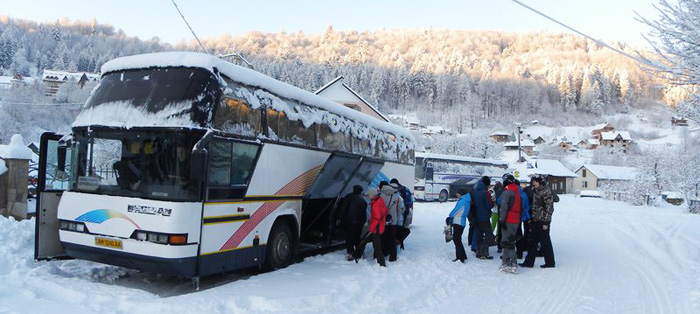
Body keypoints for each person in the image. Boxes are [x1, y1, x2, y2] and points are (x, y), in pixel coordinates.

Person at [520, 176, 556, 268]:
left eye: (536, 182)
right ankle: (529, 262)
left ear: (540, 182)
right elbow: (535, 207)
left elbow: (549, 208)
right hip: (535, 220)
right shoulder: (536, 191)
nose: (534, 184)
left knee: (545, 243)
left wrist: (546, 223)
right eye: (533, 182)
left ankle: (550, 262)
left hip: (543, 221)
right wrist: (532, 218)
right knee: (532, 242)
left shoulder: (546, 192)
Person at [353, 188, 387, 267]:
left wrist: (371, 228)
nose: (368, 197)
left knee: (377, 247)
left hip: (376, 228)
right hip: (379, 227)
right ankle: (357, 255)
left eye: (369, 195)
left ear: (372, 195)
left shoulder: (376, 204)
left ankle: (382, 264)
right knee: (364, 241)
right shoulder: (380, 201)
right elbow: (384, 212)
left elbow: (377, 218)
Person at [337, 185, 368, 261]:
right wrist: (364, 221)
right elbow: (364, 213)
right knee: (357, 237)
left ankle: (350, 252)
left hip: (350, 221)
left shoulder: (349, 197)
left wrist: (339, 217)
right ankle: (359, 252)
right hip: (360, 222)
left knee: (349, 237)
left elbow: (343, 208)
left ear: (354, 189)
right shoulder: (363, 200)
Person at [499, 174, 522, 274]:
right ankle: (506, 261)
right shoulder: (517, 192)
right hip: (516, 219)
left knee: (508, 242)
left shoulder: (507, 192)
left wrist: (502, 220)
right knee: (509, 240)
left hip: (508, 219)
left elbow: (504, 207)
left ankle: (512, 263)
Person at [472, 176, 496, 260]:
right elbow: (489, 205)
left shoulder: (475, 191)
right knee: (489, 235)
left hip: (476, 216)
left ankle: (478, 252)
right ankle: (484, 252)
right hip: (484, 216)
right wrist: (493, 201)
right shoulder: (485, 192)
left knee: (479, 235)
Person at [380, 181, 404, 262]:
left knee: (383, 239)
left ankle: (383, 253)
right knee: (392, 239)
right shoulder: (396, 196)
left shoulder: (380, 195)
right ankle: (393, 257)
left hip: (383, 221)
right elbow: (399, 210)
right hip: (393, 221)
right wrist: (397, 219)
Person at [446, 188, 472, 263]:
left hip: (458, 222)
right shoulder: (466, 200)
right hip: (461, 222)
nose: (456, 194)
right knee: (458, 239)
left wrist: (450, 215)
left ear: (461, 194)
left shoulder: (462, 201)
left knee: (457, 240)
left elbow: (456, 210)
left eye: (457, 193)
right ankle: (462, 255)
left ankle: (460, 257)